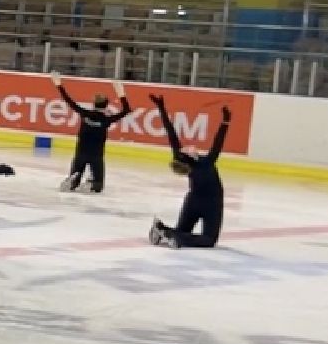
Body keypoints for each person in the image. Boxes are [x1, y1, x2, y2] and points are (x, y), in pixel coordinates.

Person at [149, 94, 230, 249]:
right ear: (190, 156)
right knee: (209, 240)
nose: (187, 147)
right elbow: (218, 142)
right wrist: (225, 121)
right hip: (212, 204)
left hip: (193, 200)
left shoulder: (183, 158)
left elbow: (170, 132)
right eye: (187, 149)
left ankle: (164, 230)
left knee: (182, 231)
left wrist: (161, 107)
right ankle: (173, 235)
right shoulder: (206, 162)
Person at [52, 72, 130, 193]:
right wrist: (120, 92)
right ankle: (92, 185)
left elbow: (69, 101)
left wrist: (58, 85)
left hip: (80, 153)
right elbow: (126, 110)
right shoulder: (106, 120)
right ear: (106, 106)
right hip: (96, 155)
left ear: (94, 104)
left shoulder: (85, 114)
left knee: (75, 178)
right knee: (99, 185)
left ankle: (73, 181)